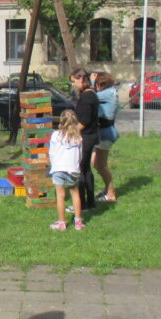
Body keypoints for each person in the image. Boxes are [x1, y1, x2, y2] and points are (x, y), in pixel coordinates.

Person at [70, 68, 100, 212]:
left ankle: (81, 204)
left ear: (82, 79)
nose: (73, 85)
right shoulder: (90, 93)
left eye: (74, 81)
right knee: (86, 169)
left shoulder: (88, 97)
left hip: (86, 137)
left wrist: (71, 132)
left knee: (80, 170)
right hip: (90, 136)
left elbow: (85, 120)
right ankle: (90, 202)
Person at [49, 109, 83, 231]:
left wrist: (53, 165)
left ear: (61, 123)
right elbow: (80, 155)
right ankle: (78, 222)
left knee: (60, 195)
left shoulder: (55, 135)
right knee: (75, 193)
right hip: (73, 169)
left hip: (58, 168)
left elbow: (52, 153)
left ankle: (62, 223)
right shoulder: (78, 137)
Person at [92, 72, 119, 203]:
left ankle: (110, 194)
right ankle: (107, 189)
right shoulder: (110, 92)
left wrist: (91, 82)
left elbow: (90, 96)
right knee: (97, 164)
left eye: (97, 84)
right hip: (103, 131)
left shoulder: (108, 93)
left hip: (106, 132)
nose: (96, 87)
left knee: (100, 165)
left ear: (101, 84)